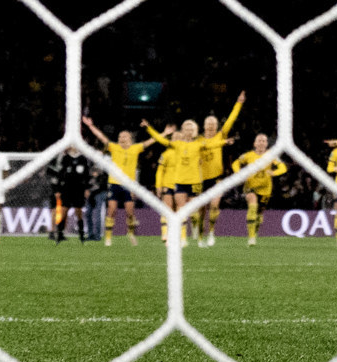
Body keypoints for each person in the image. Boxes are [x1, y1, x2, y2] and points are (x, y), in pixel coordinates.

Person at [83, 117, 155, 246]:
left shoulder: (136, 148)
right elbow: (101, 137)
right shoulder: (114, 147)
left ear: (130, 139)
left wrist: (163, 133)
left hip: (129, 185)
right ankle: (108, 238)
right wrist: (90, 126)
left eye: (125, 136)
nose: (122, 138)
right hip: (114, 184)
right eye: (120, 136)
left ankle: (131, 234)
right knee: (112, 210)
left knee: (130, 212)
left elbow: (151, 141)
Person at [196, 91, 245, 247]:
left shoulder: (220, 136)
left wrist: (238, 104)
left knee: (214, 206)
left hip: (217, 178)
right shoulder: (198, 140)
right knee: (201, 210)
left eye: (213, 124)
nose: (210, 126)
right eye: (208, 124)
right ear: (204, 126)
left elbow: (231, 119)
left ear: (216, 126)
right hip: (200, 178)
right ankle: (200, 237)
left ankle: (211, 233)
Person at [145, 119, 204, 247]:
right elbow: (160, 170)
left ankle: (181, 236)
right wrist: (158, 185)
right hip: (168, 184)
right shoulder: (166, 154)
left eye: (179, 137)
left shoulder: (185, 150)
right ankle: (166, 235)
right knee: (167, 210)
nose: (176, 139)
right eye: (174, 137)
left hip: (181, 183)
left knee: (181, 212)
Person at [231, 134, 286, 246]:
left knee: (259, 215)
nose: (261, 143)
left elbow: (283, 167)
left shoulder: (271, 156)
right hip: (250, 186)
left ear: (266, 144)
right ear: (254, 144)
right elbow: (235, 163)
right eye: (259, 141)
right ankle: (251, 238)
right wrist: (239, 173)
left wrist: (274, 173)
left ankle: (254, 232)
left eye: (263, 141)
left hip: (265, 189)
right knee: (252, 204)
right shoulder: (248, 155)